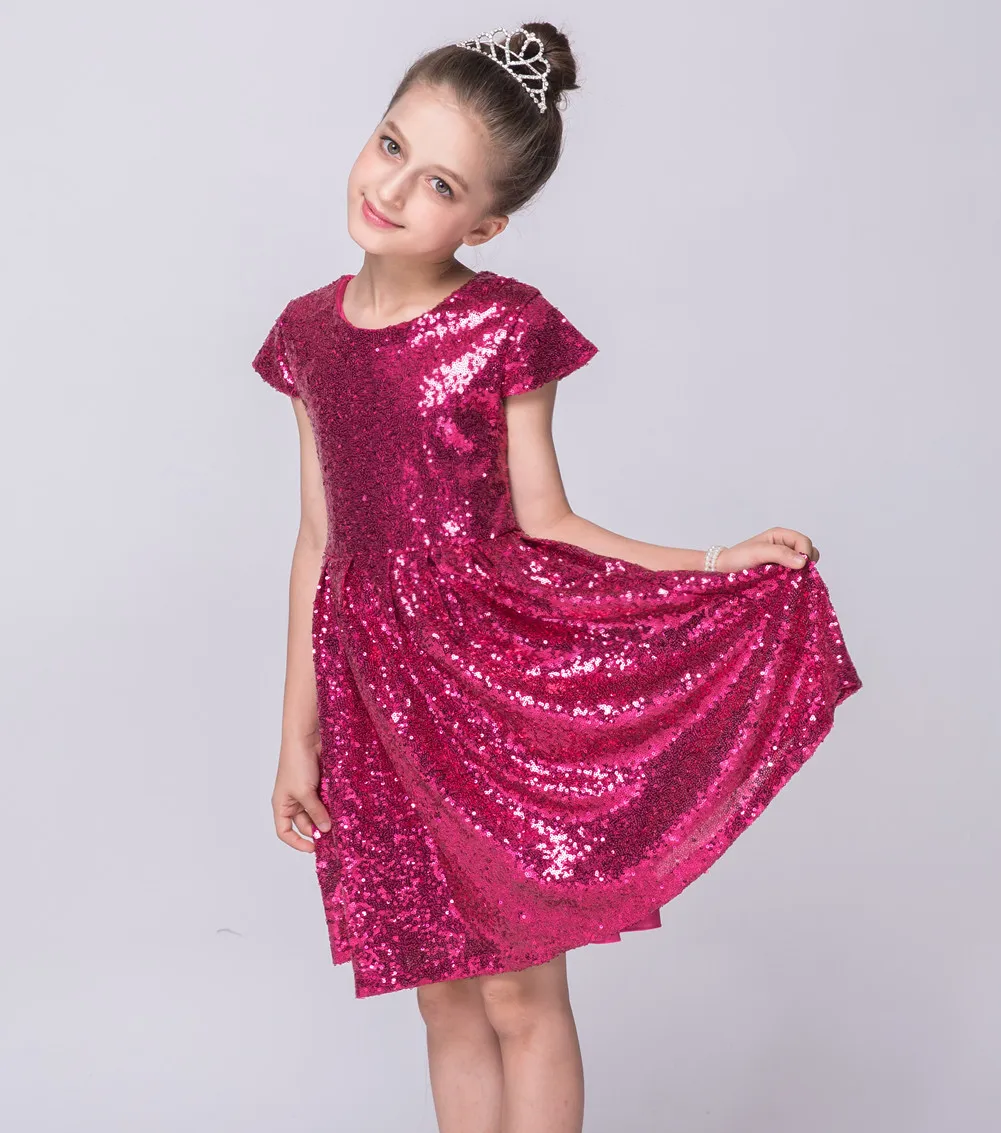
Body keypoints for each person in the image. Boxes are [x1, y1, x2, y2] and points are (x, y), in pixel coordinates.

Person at [250, 22, 862, 1133]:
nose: (392, 188)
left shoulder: (504, 324)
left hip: (486, 682)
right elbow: (316, 539)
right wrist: (298, 736)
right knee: (440, 990)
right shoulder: (306, 334)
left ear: (482, 224)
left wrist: (714, 560)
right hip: (371, 693)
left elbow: (548, 520)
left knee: (517, 991)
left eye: (438, 185)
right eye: (390, 145)